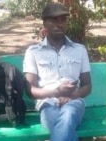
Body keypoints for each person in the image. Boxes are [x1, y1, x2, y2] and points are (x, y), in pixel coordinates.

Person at [23, 2, 92, 141]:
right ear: (44, 23)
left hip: (74, 102)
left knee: (67, 115)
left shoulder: (79, 50)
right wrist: (57, 92)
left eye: (63, 20)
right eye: (54, 20)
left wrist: (72, 96)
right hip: (47, 103)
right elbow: (30, 91)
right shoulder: (33, 52)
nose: (59, 24)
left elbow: (87, 85)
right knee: (63, 125)